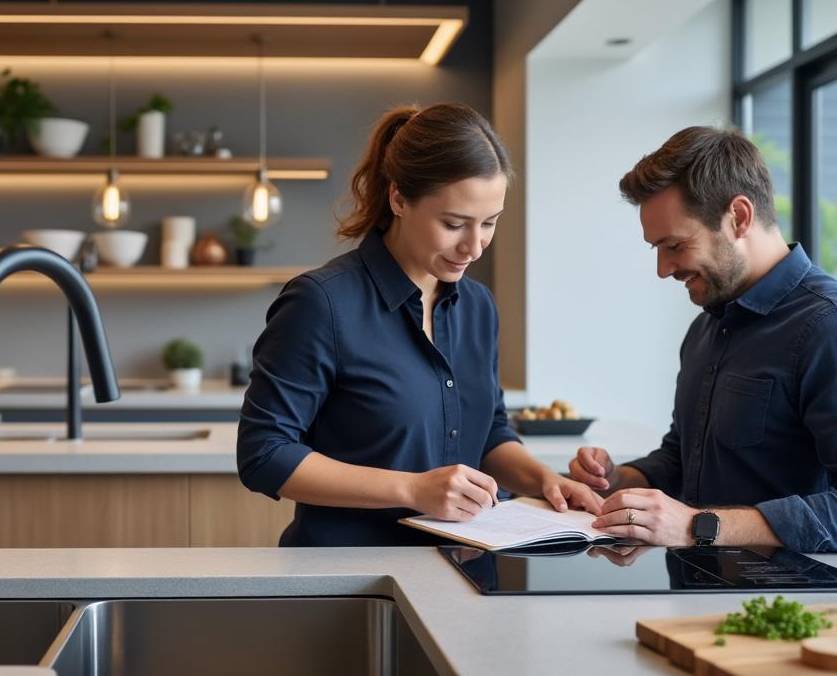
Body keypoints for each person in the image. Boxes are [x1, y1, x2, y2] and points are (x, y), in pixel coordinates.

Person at [237, 103, 602, 547]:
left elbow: (488, 431)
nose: (474, 247)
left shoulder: (478, 306)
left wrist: (544, 481)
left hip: (467, 565)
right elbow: (264, 454)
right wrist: (412, 489)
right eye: (453, 224)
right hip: (350, 575)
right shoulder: (322, 302)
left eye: (489, 223)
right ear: (399, 200)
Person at [568, 126, 837, 553]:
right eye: (656, 248)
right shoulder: (707, 326)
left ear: (739, 217)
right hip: (699, 599)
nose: (663, 268)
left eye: (675, 245)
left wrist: (700, 526)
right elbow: (684, 459)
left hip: (789, 609)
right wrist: (620, 481)